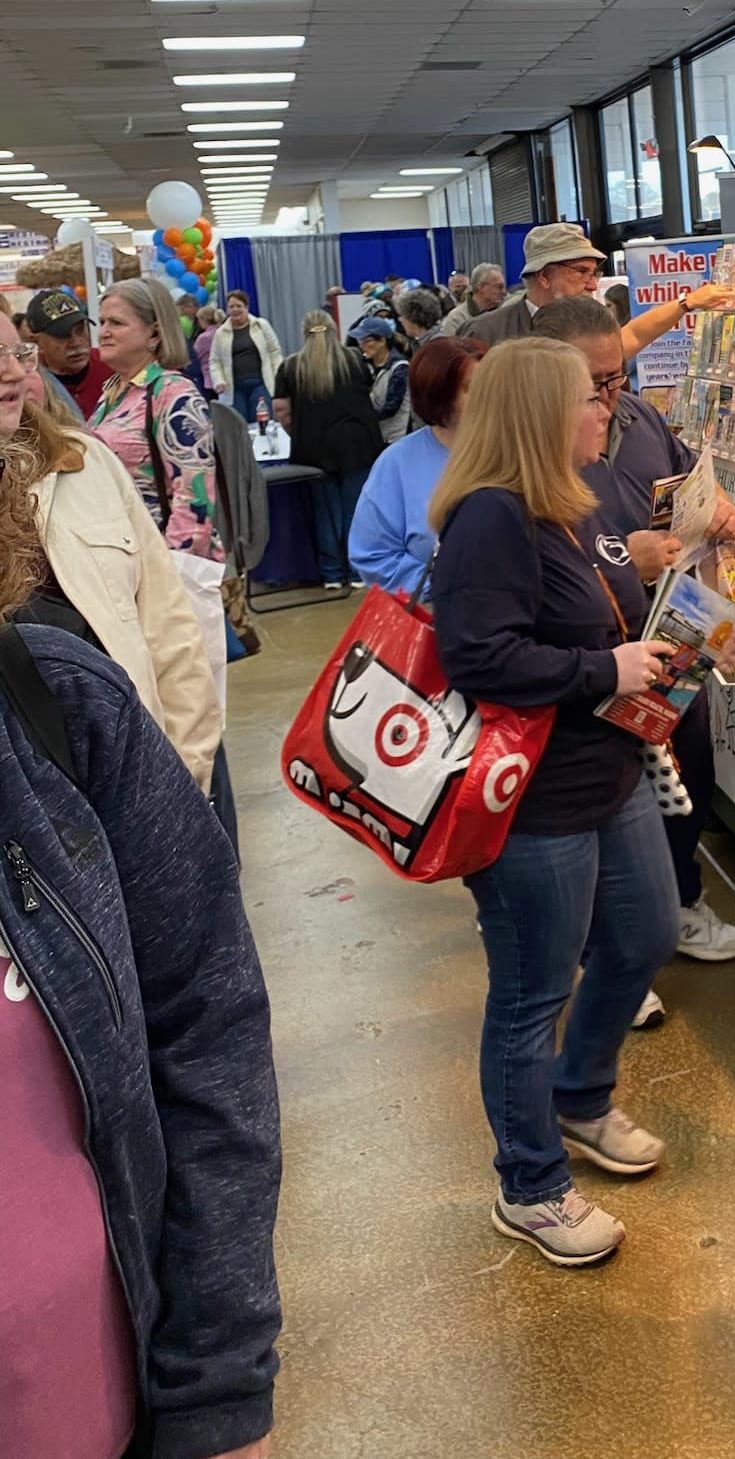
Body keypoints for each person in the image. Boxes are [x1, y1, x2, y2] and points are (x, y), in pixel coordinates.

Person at [0, 315, 281, 1459]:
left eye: (12, 338)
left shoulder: (97, 461)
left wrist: (174, 783)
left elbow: (177, 606)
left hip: (114, 791)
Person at [429, 337, 735, 1267]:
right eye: (588, 397)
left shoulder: (589, 497)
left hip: (612, 772)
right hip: (531, 799)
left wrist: (697, 643)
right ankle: (528, 1184)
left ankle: (580, 1096)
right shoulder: (490, 518)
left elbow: (625, 614)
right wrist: (598, 668)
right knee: (534, 989)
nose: (609, 408)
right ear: (538, 414)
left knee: (648, 932)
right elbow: (479, 656)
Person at [532, 296, 735, 978]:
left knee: (687, 769)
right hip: (591, 658)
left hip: (674, 630)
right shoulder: (528, 457)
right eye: (593, 384)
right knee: (605, 797)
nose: (609, 394)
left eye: (617, 375)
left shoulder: (641, 416)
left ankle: (679, 898)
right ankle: (601, 947)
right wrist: (626, 556)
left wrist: (715, 509)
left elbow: (689, 480)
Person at [1, 314, 222, 793]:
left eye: (19, 354)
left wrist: (184, 778)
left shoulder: (84, 461)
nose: (16, 373)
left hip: (129, 781)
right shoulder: (112, 398)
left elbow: (169, 629)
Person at [89, 278, 223, 560]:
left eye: (116, 323)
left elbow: (194, 498)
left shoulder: (174, 395)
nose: (104, 332)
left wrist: (168, 571)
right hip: (125, 560)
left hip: (162, 566)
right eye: (102, 322)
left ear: (154, 334)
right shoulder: (114, 390)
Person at [348, 335, 486, 594]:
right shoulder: (397, 464)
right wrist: (442, 590)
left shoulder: (518, 451)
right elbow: (373, 554)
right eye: (472, 388)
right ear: (439, 394)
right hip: (438, 619)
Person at [466, 223, 731, 354]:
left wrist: (687, 303)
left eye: (594, 273)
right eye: (581, 272)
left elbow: (634, 336)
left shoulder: (594, 322)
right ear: (545, 275)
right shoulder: (486, 334)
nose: (593, 284)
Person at [273, 310, 385, 590]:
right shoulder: (355, 360)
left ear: (304, 333)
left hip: (314, 449)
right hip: (357, 445)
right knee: (355, 510)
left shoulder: (290, 367)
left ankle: (332, 573)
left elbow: (281, 412)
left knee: (325, 513)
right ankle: (357, 572)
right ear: (335, 330)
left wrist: (297, 433)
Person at [24, 288, 113, 418]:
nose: (76, 342)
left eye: (81, 330)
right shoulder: (29, 383)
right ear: (37, 341)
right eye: (62, 334)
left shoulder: (111, 364)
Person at [209, 290, 283, 423]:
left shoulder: (262, 325)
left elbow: (275, 352)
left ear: (246, 307)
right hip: (234, 390)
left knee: (263, 423)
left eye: (239, 306)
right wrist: (218, 380)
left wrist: (278, 374)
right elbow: (214, 361)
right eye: (231, 307)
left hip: (261, 385)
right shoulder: (220, 333)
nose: (235, 310)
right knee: (239, 426)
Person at [352, 316, 412, 444]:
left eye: (367, 341)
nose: (362, 346)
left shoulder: (400, 368)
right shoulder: (366, 365)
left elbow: (391, 407)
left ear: (382, 341)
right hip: (376, 435)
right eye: (359, 341)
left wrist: (361, 418)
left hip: (396, 438)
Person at [442, 263, 506, 336]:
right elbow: (453, 346)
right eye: (499, 287)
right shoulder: (457, 318)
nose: (503, 292)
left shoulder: (506, 311)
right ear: (481, 287)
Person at [194, 304, 225, 393]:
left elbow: (195, 356)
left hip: (209, 378)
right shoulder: (223, 332)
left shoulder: (204, 338)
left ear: (204, 320)